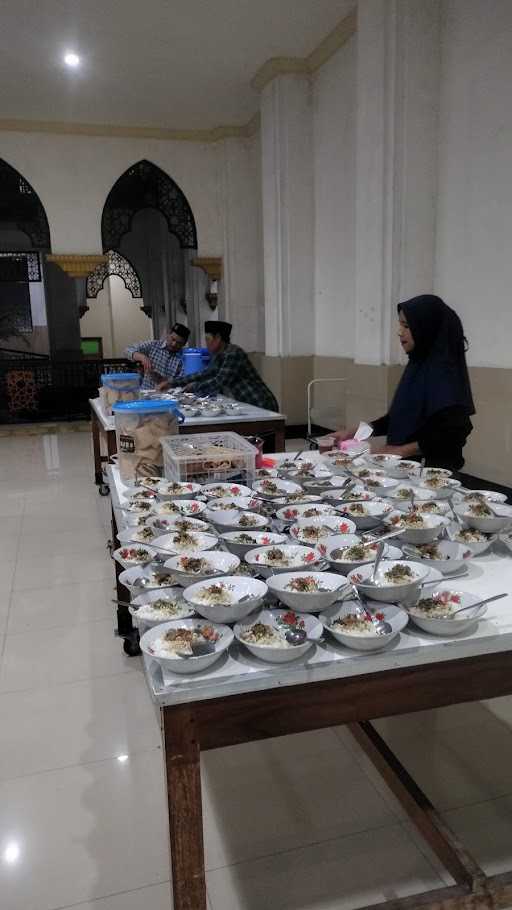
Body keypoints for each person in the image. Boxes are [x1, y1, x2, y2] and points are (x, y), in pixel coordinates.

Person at [335, 295, 475, 470]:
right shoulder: (417, 365)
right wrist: (355, 432)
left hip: (433, 474)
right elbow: (397, 419)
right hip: (405, 468)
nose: (399, 332)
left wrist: (401, 451)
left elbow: (454, 433)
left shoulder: (445, 373)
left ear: (426, 329)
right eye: (400, 325)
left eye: (407, 326)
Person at [162, 320, 279, 411]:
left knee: (262, 441)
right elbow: (205, 373)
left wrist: (194, 387)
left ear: (218, 338)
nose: (206, 344)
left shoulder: (233, 353)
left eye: (208, 339)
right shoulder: (219, 355)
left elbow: (220, 381)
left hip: (260, 402)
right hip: (247, 403)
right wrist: (171, 383)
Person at [125, 323, 190, 390]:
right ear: (168, 334)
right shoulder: (153, 345)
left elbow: (181, 383)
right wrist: (142, 357)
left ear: (184, 344)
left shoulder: (185, 358)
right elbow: (127, 350)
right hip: (147, 393)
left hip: (168, 396)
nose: (174, 344)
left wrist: (160, 379)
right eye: (173, 339)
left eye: (179, 343)